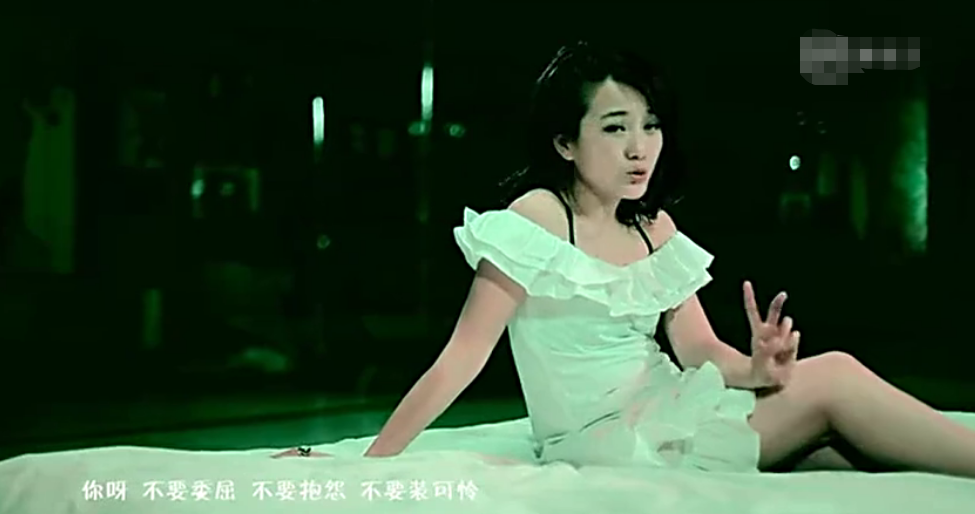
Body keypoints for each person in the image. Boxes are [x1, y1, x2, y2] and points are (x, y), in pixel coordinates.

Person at [280, 41, 975, 478]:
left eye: (650, 126)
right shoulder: (536, 219)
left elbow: (700, 350)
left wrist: (759, 369)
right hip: (609, 440)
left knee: (852, 449)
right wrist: (371, 462)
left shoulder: (652, 227)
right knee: (837, 377)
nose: (640, 147)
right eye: (615, 128)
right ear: (565, 143)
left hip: (673, 407)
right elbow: (462, 357)